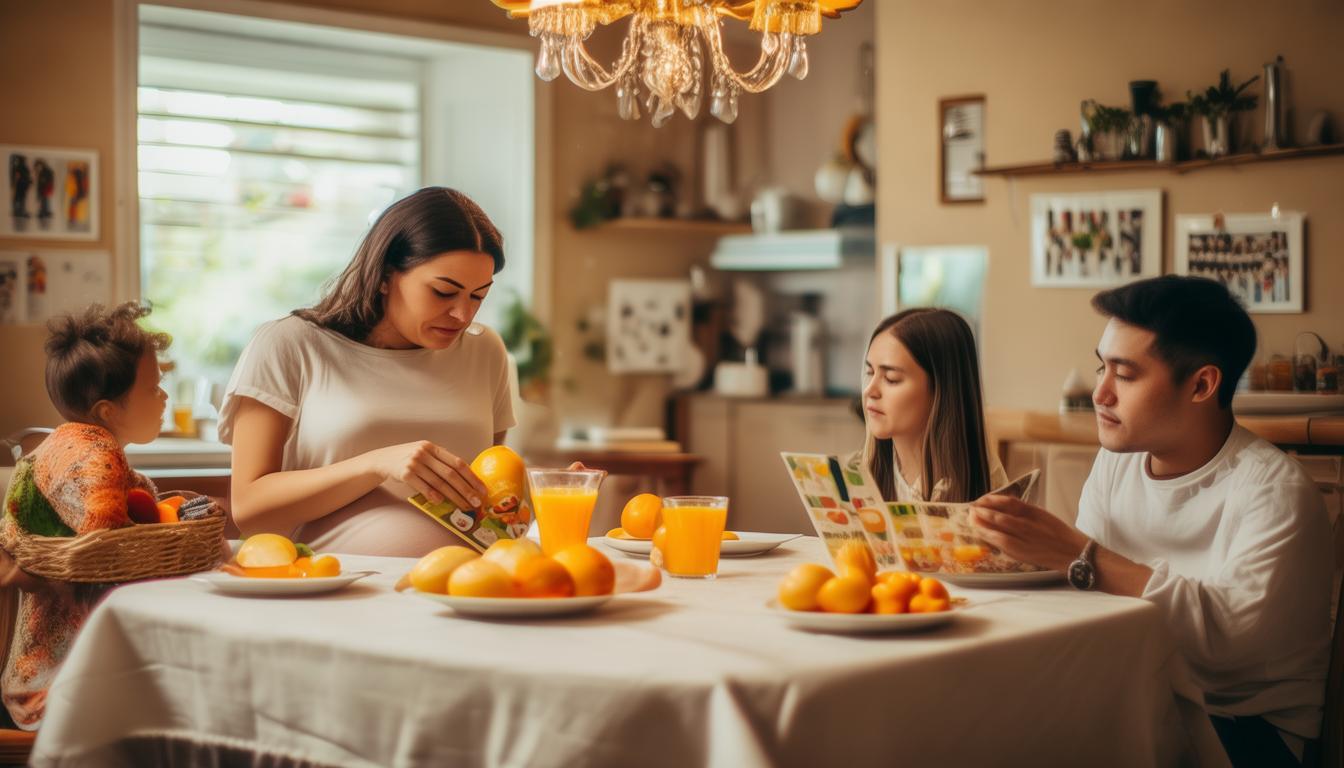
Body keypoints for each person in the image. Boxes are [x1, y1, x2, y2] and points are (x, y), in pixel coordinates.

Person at [971, 276, 1333, 766]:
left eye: (1124, 375)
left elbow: (1224, 642)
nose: (1100, 393)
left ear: (1202, 384)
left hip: (1245, 730)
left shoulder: (1274, 491)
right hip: (1140, 694)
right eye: (1101, 367)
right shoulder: (1117, 461)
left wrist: (1077, 553)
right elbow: (1089, 592)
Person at [220, 187, 517, 557]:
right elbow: (249, 508)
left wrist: (542, 490)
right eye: (443, 292)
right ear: (384, 275)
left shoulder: (484, 351)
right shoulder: (290, 344)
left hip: (473, 583)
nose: (462, 315)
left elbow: (488, 498)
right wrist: (376, 465)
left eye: (478, 296)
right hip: (334, 583)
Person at [0, 302, 169, 728]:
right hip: (65, 689)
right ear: (109, 411)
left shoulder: (63, 444)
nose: (164, 397)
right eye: (153, 389)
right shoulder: (95, 454)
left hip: (43, 675)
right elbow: (109, 547)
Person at [859, 308, 1007, 503]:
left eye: (891, 378)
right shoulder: (862, 476)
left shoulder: (989, 490)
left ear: (941, 390)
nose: (870, 390)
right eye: (870, 373)